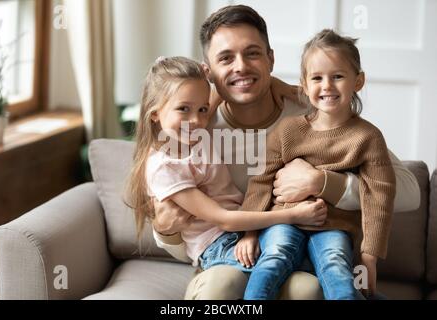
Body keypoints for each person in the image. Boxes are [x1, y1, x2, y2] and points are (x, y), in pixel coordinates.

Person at [152, 5, 421, 300]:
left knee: (307, 290)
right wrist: (165, 231)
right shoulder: (194, 128)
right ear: (209, 72)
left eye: (252, 53)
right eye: (226, 58)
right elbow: (188, 236)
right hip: (226, 261)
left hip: (303, 253)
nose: (240, 66)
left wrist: (322, 183)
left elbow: (409, 191)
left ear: (271, 59)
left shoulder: (317, 112)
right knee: (222, 287)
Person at [126, 56, 327, 300]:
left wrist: (278, 85)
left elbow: (231, 85)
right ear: (155, 113)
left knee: (315, 275)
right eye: (183, 109)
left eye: (202, 109)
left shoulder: (194, 132)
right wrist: (295, 215)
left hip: (245, 233)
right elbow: (223, 219)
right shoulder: (164, 167)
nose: (197, 119)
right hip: (217, 245)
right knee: (289, 268)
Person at [241, 28, 395, 299]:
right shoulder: (287, 131)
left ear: (358, 81)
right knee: (274, 256)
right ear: (305, 83)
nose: (326, 86)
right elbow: (261, 181)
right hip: (283, 220)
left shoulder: (368, 137)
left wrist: (369, 257)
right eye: (317, 78)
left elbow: (379, 197)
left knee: (336, 265)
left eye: (337, 76)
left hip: (334, 226)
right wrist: (249, 233)